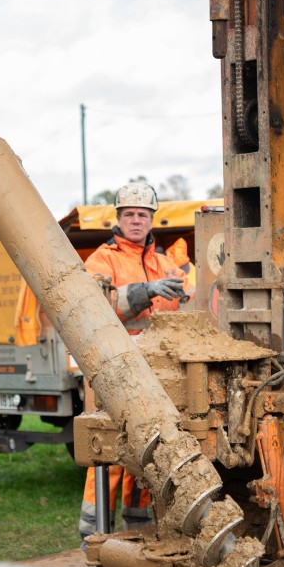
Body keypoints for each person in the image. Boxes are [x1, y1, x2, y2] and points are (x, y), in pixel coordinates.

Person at [78, 182, 194, 544]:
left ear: (151, 220)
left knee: (147, 454)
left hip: (155, 373)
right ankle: (93, 537)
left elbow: (185, 303)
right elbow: (90, 305)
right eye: (129, 214)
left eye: (142, 215)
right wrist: (146, 292)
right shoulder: (103, 259)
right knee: (109, 451)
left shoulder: (164, 262)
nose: (135, 221)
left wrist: (184, 294)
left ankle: (138, 534)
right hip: (111, 369)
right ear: (118, 219)